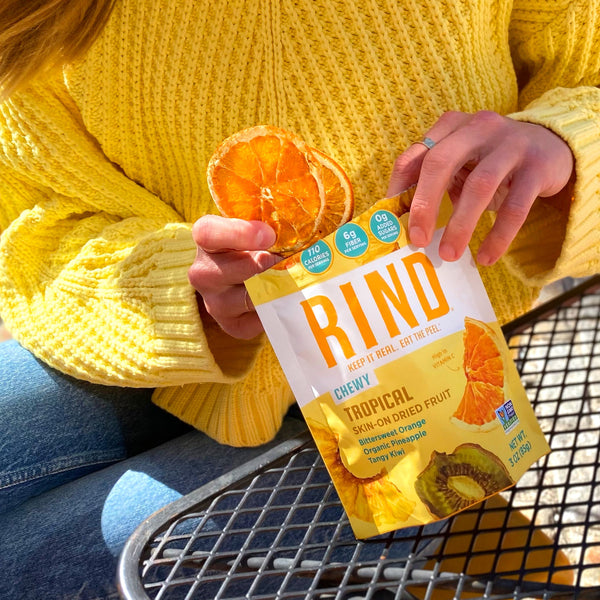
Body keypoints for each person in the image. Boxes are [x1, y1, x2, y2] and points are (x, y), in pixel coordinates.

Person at [0, 0, 598, 598]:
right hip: (167, 363)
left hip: (440, 389)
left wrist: (563, 145)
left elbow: (588, 75)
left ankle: (455, 550)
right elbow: (39, 220)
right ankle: (455, 562)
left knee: (34, 565)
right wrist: (172, 286)